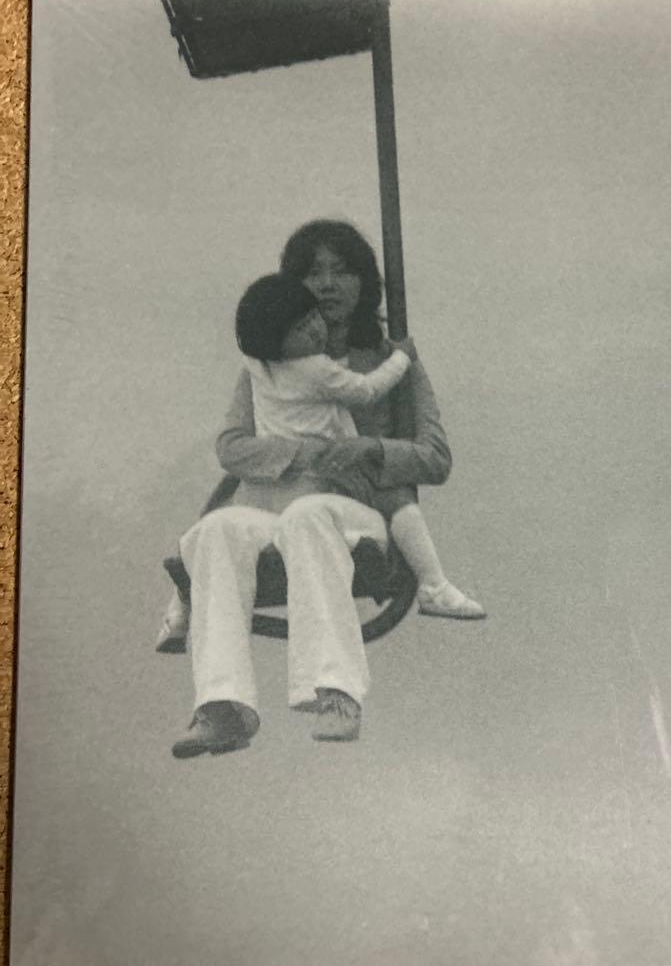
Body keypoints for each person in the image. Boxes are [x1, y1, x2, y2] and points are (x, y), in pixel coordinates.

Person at [170, 220, 483, 759]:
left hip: (356, 510)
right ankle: (222, 705)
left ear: (364, 283)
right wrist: (306, 453)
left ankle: (336, 691)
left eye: (343, 271)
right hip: (276, 506)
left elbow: (434, 457)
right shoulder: (267, 366)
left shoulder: (387, 364)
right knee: (218, 529)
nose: (328, 284)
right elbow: (233, 447)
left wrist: (372, 450)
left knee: (310, 514)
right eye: (314, 273)